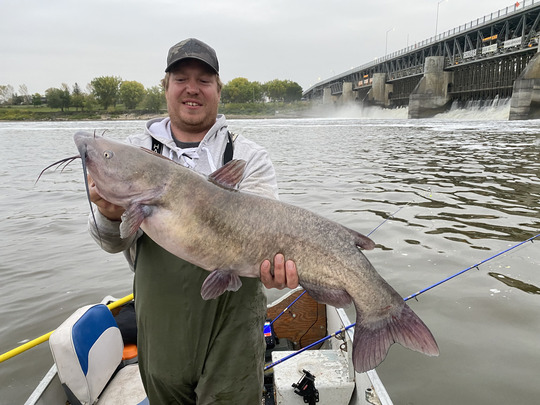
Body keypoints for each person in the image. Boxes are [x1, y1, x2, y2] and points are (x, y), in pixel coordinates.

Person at [87, 38, 299, 404]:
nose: (192, 89)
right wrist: (109, 214)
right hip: (161, 325)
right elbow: (111, 242)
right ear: (166, 87)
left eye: (204, 80)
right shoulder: (133, 152)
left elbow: (267, 237)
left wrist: (276, 267)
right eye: (181, 78)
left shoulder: (248, 156)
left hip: (232, 325)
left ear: (218, 89)